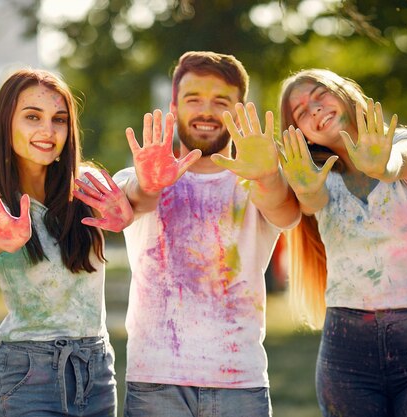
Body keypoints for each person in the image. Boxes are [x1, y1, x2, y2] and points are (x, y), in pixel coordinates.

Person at [113, 51, 300, 417]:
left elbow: (285, 211)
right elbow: (131, 202)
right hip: (155, 383)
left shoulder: (259, 184)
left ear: (241, 109)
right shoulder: (136, 179)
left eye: (221, 102)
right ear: (173, 106)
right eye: (193, 99)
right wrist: (147, 185)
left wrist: (267, 176)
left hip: (240, 384)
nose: (206, 111)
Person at [276, 68, 407, 417]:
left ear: (345, 92)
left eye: (320, 96)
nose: (315, 109)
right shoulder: (316, 179)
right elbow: (311, 202)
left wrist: (383, 165)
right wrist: (304, 189)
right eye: (302, 111)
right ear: (300, 133)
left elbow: (398, 163)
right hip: (346, 356)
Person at [0, 68, 133, 417]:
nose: (48, 131)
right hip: (27, 379)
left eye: (60, 119)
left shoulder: (86, 184)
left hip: (96, 374)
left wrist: (136, 203)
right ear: (5, 123)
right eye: (32, 117)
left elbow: (135, 196)